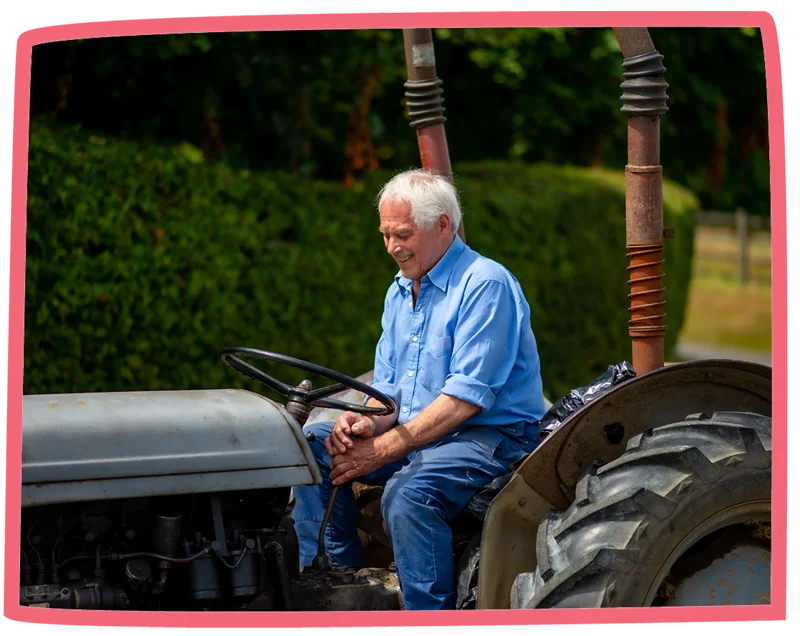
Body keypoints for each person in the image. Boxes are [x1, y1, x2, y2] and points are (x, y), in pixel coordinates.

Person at [292, 168, 547, 610]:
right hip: (426, 433)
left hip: (492, 438)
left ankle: (428, 616)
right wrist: (360, 423)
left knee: (409, 493)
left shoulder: (485, 284)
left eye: (403, 234)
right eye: (386, 235)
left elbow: (464, 401)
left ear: (443, 225)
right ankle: (336, 589)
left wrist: (385, 448)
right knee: (312, 446)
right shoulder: (399, 291)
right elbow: (388, 392)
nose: (392, 247)